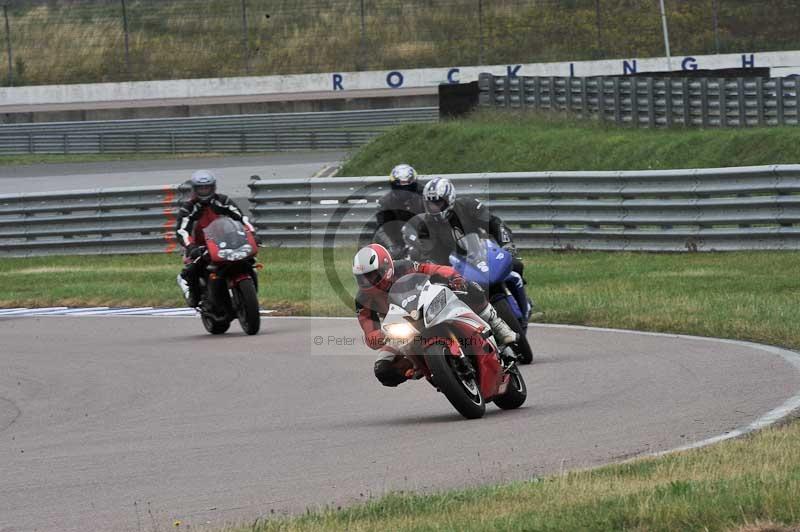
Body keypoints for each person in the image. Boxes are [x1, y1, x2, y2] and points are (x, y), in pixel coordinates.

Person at [353, 243, 518, 387]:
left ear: (386, 266)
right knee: (382, 369)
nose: (368, 281)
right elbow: (369, 334)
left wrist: (454, 277)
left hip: (426, 305)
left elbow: (433, 269)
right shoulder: (363, 299)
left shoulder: (404, 266)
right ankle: (418, 369)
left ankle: (497, 325)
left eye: (373, 275)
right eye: (363, 278)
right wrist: (381, 335)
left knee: (471, 288)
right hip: (401, 329)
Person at [403, 177, 525, 277]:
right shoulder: (426, 225)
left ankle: (524, 301)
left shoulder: (468, 206)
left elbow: (495, 223)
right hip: (454, 265)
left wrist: (507, 245)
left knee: (516, 265)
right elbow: (429, 252)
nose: (434, 207)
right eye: (430, 204)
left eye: (438, 203)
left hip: (482, 253)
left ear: (449, 199)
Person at [175, 170, 252, 308]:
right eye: (201, 188)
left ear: (213, 187)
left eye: (207, 187)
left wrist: (252, 233)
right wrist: (191, 247)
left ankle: (246, 290)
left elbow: (241, 218)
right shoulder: (188, 208)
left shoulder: (223, 201)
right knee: (192, 270)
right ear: (194, 189)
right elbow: (182, 231)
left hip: (223, 242)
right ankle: (194, 296)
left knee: (249, 260)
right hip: (199, 247)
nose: (204, 191)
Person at [368, 164, 425, 259]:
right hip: (396, 241)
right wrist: (392, 246)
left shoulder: (423, 198)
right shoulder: (385, 202)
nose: (404, 191)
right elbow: (382, 229)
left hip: (420, 239)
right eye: (400, 188)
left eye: (408, 187)